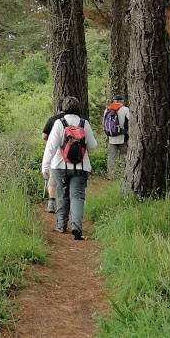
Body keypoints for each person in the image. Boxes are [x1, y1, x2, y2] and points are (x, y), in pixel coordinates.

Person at [41, 96, 98, 240]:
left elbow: (51, 147)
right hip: (81, 167)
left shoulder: (59, 123)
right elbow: (93, 145)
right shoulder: (84, 123)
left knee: (62, 194)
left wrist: (45, 167)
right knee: (78, 196)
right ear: (78, 108)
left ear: (63, 108)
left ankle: (61, 225)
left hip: (60, 166)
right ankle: (77, 227)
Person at [41, 99, 66, 213]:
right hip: (73, 156)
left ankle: (51, 202)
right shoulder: (77, 120)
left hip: (56, 154)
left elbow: (44, 136)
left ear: (58, 107)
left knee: (53, 178)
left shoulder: (53, 120)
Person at [102, 95, 130, 180]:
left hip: (111, 138)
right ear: (121, 101)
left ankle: (111, 176)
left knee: (111, 157)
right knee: (124, 156)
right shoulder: (125, 109)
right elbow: (131, 120)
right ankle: (125, 175)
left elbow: (104, 123)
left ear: (114, 101)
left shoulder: (107, 109)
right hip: (122, 137)